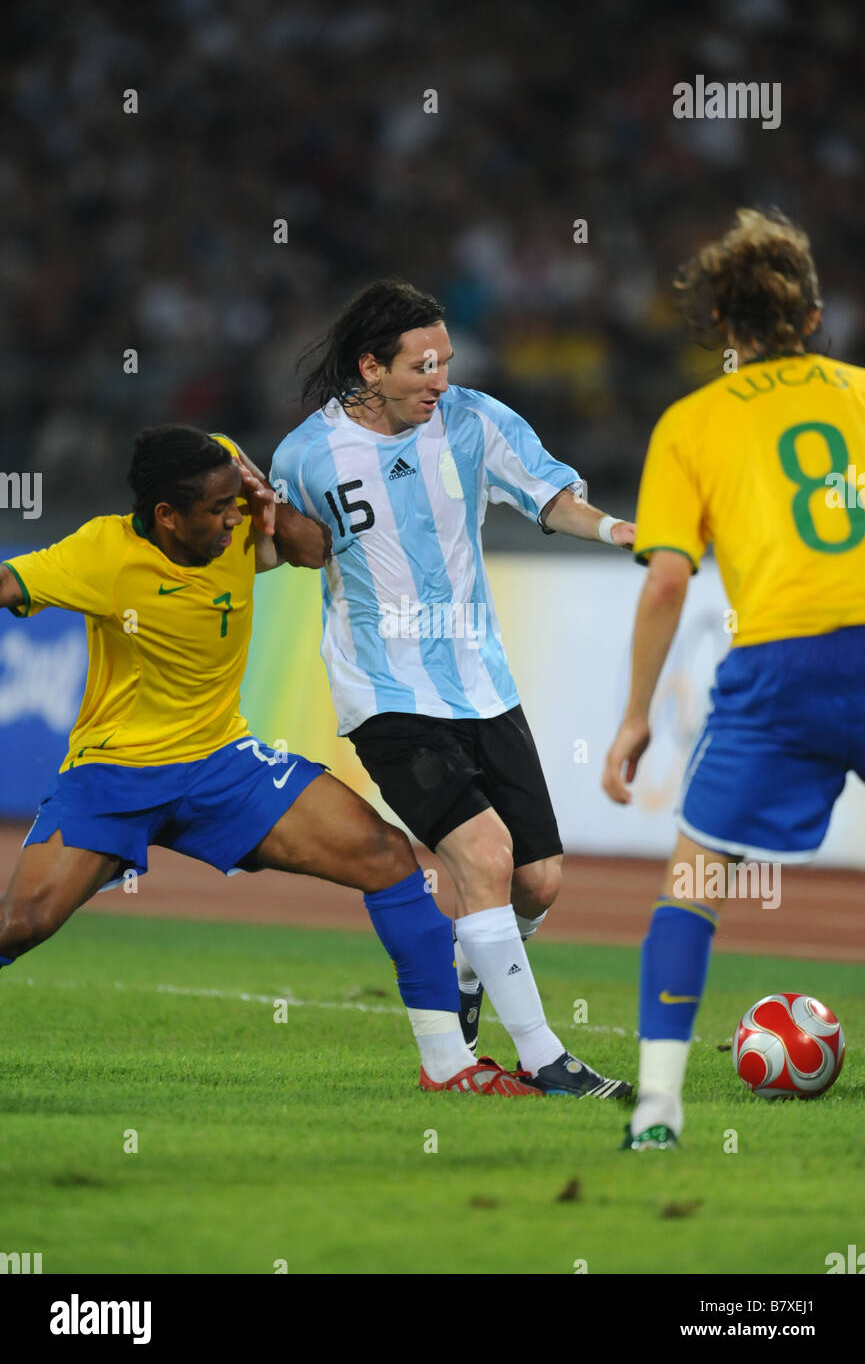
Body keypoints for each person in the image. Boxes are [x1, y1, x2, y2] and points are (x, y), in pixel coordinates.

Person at [0, 425, 539, 1098]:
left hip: (222, 762)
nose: (235, 520)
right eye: (219, 511)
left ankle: (449, 1066)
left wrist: (263, 496)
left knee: (385, 856)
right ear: (166, 516)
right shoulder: (99, 552)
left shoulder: (228, 485)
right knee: (21, 926)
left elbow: (311, 551)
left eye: (237, 504)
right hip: (114, 774)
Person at [270, 278, 636, 1099]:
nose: (439, 379)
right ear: (371, 366)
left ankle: (469, 968)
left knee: (535, 883)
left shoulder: (475, 419)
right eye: (421, 365)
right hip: (386, 695)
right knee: (482, 854)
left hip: (481, 684)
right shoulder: (306, 454)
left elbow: (552, 498)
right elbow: (291, 550)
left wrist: (616, 530)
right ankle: (545, 1059)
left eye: (445, 361)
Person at [602, 206, 865, 1147]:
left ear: (717, 323)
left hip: (779, 663)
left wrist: (634, 716)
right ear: (812, 311)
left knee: (697, 872)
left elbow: (668, 576)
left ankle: (658, 1110)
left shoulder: (691, 423)